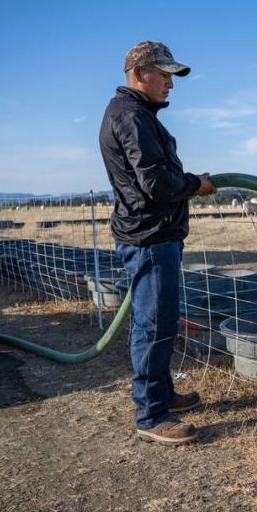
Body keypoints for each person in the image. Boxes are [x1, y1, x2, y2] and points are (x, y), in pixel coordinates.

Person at [99, 40, 216, 445]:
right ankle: (151, 416)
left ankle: (162, 395)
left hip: (152, 233)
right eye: (163, 75)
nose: (170, 83)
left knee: (160, 320)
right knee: (153, 324)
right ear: (139, 74)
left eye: (171, 75)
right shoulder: (131, 117)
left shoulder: (135, 114)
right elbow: (155, 183)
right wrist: (194, 185)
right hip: (150, 236)